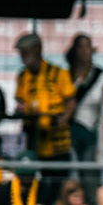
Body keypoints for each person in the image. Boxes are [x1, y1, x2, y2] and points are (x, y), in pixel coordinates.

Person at [13, 32, 76, 165]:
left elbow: (71, 102)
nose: (22, 56)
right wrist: (21, 111)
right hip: (33, 142)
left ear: (38, 49)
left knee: (57, 181)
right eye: (21, 53)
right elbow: (20, 103)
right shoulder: (22, 76)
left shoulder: (59, 74)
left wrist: (62, 120)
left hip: (57, 144)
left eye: (26, 52)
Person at [65, 34, 103, 173]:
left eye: (87, 46)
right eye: (80, 47)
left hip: (91, 132)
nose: (84, 51)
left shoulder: (102, 77)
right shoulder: (65, 76)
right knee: (70, 174)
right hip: (66, 131)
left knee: (89, 174)